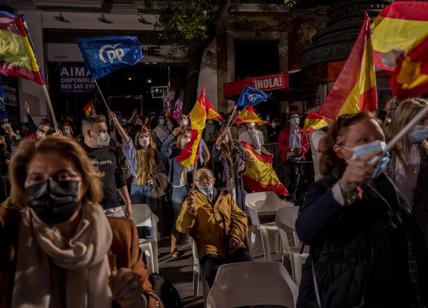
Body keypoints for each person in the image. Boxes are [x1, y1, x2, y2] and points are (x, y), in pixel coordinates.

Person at [0, 136, 162, 308]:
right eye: (37, 179)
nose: (50, 186)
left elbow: (151, 300)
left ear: (84, 182)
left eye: (62, 176)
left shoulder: (120, 235)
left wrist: (138, 300)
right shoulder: (10, 231)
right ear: (24, 186)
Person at [296, 112, 428, 308]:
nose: (375, 146)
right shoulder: (326, 187)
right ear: (340, 150)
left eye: (379, 139)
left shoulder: (388, 188)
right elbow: (305, 230)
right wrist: (344, 187)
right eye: (363, 140)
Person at [176, 168, 252, 287]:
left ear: (214, 180)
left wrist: (235, 236)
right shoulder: (191, 200)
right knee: (216, 272)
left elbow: (240, 217)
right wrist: (190, 210)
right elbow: (183, 228)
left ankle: (246, 300)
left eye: (207, 177)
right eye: (200, 179)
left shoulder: (225, 196)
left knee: (248, 265)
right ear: (195, 183)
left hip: (232, 245)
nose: (204, 181)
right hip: (209, 249)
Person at [386, 98, 428, 255]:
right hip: (392, 228)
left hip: (420, 230)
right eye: (422, 120)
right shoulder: (386, 154)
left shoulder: (425, 153)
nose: (426, 125)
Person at [81, 115, 132, 217]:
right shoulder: (78, 153)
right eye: (101, 131)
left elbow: (119, 177)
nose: (105, 134)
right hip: (90, 210)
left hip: (114, 208)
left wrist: (128, 202)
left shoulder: (110, 151)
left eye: (105, 130)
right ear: (89, 133)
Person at [161, 127, 194, 257]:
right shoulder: (174, 153)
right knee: (178, 218)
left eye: (189, 137)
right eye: (185, 137)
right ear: (180, 139)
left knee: (192, 217)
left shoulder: (193, 153)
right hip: (177, 189)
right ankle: (173, 248)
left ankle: (193, 245)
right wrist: (172, 135)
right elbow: (164, 150)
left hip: (190, 188)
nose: (187, 139)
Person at [211, 128, 246, 210]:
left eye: (225, 134)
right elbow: (215, 159)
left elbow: (242, 159)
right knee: (226, 204)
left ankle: (237, 219)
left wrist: (243, 165)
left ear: (229, 135)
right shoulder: (217, 147)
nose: (223, 137)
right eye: (221, 135)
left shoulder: (236, 146)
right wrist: (217, 146)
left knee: (236, 202)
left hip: (236, 180)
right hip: (224, 181)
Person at [278, 113, 308, 196]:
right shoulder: (284, 132)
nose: (295, 119)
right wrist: (289, 149)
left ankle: (294, 195)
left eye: (297, 118)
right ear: (290, 121)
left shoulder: (302, 132)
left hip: (298, 159)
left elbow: (306, 146)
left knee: (296, 178)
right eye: (293, 118)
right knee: (287, 180)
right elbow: (280, 146)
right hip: (287, 159)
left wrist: (301, 150)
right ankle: (286, 194)